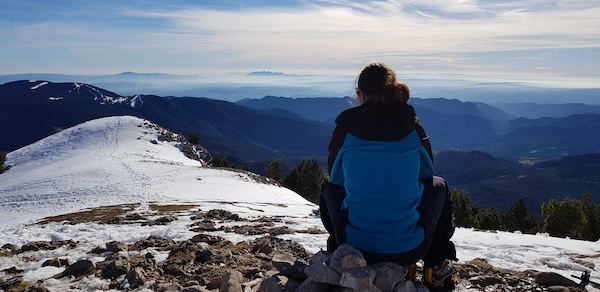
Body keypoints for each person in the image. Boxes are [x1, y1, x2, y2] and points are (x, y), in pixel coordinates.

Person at [319, 62, 457, 288]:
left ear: (360, 94)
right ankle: (436, 265)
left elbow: (336, 179)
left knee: (328, 188)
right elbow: (426, 174)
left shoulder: (345, 126)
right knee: (438, 186)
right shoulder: (411, 125)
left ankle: (337, 252)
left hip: (355, 245)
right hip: (410, 248)